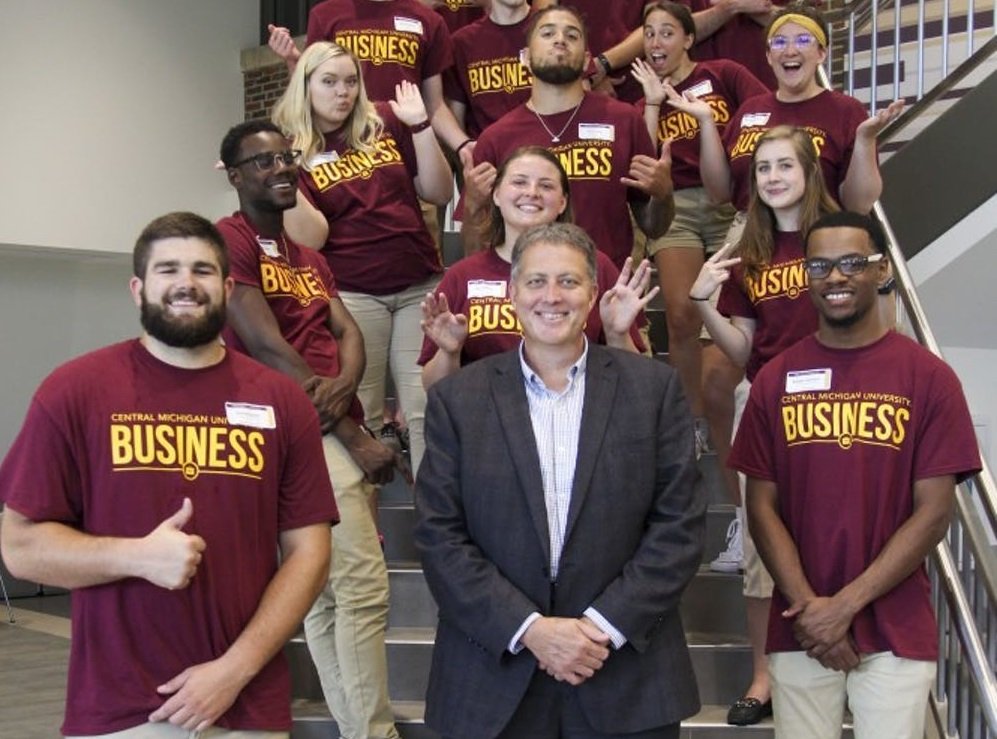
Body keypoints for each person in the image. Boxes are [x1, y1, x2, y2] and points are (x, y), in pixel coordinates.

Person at [0, 212, 337, 737]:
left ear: (227, 287)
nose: (186, 283)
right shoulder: (74, 391)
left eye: (203, 271)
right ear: (138, 289)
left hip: (247, 703)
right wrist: (135, 556)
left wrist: (234, 670)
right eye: (168, 270)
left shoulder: (279, 400)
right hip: (120, 710)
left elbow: (309, 553)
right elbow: (19, 547)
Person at [414, 221, 705, 739]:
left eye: (569, 282)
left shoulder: (652, 389)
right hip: (493, 677)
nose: (552, 297)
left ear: (593, 293)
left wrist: (597, 629)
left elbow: (678, 526)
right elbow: (439, 535)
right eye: (536, 282)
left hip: (625, 676)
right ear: (512, 293)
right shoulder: (458, 400)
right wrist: (531, 631)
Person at [729, 211, 981, 738]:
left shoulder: (929, 378)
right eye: (820, 264)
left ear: (881, 269)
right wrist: (813, 613)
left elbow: (934, 514)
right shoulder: (776, 378)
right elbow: (761, 508)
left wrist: (843, 606)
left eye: (851, 263)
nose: (835, 277)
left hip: (896, 624)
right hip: (800, 624)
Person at [217, 120, 407, 739]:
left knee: (330, 595)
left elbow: (347, 332)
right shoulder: (229, 241)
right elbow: (263, 345)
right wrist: (351, 433)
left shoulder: (309, 258)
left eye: (286, 157)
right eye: (262, 161)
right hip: (288, 429)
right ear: (235, 176)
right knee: (359, 587)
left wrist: (347, 391)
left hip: (327, 417)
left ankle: (359, 729)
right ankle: (374, 732)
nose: (280, 169)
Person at [688, 124, 839, 725]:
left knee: (835, 537)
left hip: (837, 404)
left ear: (809, 173)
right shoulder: (750, 249)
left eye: (785, 166)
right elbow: (746, 350)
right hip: (768, 402)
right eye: (764, 169)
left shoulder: (836, 238)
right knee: (760, 550)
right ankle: (763, 675)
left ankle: (837, 662)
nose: (774, 177)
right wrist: (703, 303)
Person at [273, 41, 454, 475]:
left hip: (418, 284)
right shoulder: (291, 149)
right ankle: (369, 535)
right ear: (305, 86)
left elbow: (439, 192)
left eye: (351, 81)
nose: (343, 92)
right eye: (330, 82)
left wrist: (422, 128)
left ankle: (437, 529)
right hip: (353, 295)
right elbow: (312, 238)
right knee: (363, 415)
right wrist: (284, 175)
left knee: (426, 411)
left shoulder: (385, 121)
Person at [630, 1, 767, 455]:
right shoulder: (642, 97)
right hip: (677, 205)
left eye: (667, 32)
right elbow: (644, 164)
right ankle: (690, 421)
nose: (655, 43)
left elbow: (765, 113)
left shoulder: (722, 74)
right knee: (682, 312)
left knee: (738, 309)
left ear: (689, 39)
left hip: (733, 200)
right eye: (649, 33)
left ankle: (737, 405)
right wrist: (651, 102)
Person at [419, 145, 654, 388]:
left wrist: (617, 335)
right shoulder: (462, 276)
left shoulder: (595, 265)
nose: (532, 192)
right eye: (519, 182)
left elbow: (635, 383)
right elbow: (434, 389)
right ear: (497, 194)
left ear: (562, 202)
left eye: (546, 185)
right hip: (486, 419)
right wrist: (449, 353)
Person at [463, 5, 675, 269]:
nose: (560, 40)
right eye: (548, 33)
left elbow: (654, 227)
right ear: (526, 57)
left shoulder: (625, 120)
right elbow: (475, 255)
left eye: (572, 35)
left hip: (607, 295)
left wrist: (664, 195)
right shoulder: (496, 138)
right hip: (531, 300)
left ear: (587, 60)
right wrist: (472, 205)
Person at [267, 0, 471, 154]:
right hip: (343, 157)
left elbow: (434, 106)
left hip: (406, 155)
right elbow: (311, 94)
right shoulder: (326, 15)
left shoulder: (428, 20)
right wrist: (294, 61)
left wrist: (464, 145)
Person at [443, 0, 533, 141]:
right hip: (488, 158)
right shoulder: (462, 43)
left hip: (546, 153)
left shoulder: (551, 35)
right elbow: (457, 115)